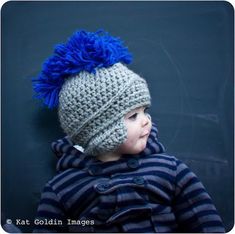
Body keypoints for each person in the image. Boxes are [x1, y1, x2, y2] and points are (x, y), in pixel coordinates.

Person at [32, 30, 225, 233]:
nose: (146, 121)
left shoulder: (170, 170)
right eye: (133, 116)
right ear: (98, 130)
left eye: (145, 111)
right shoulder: (63, 189)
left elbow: (207, 224)